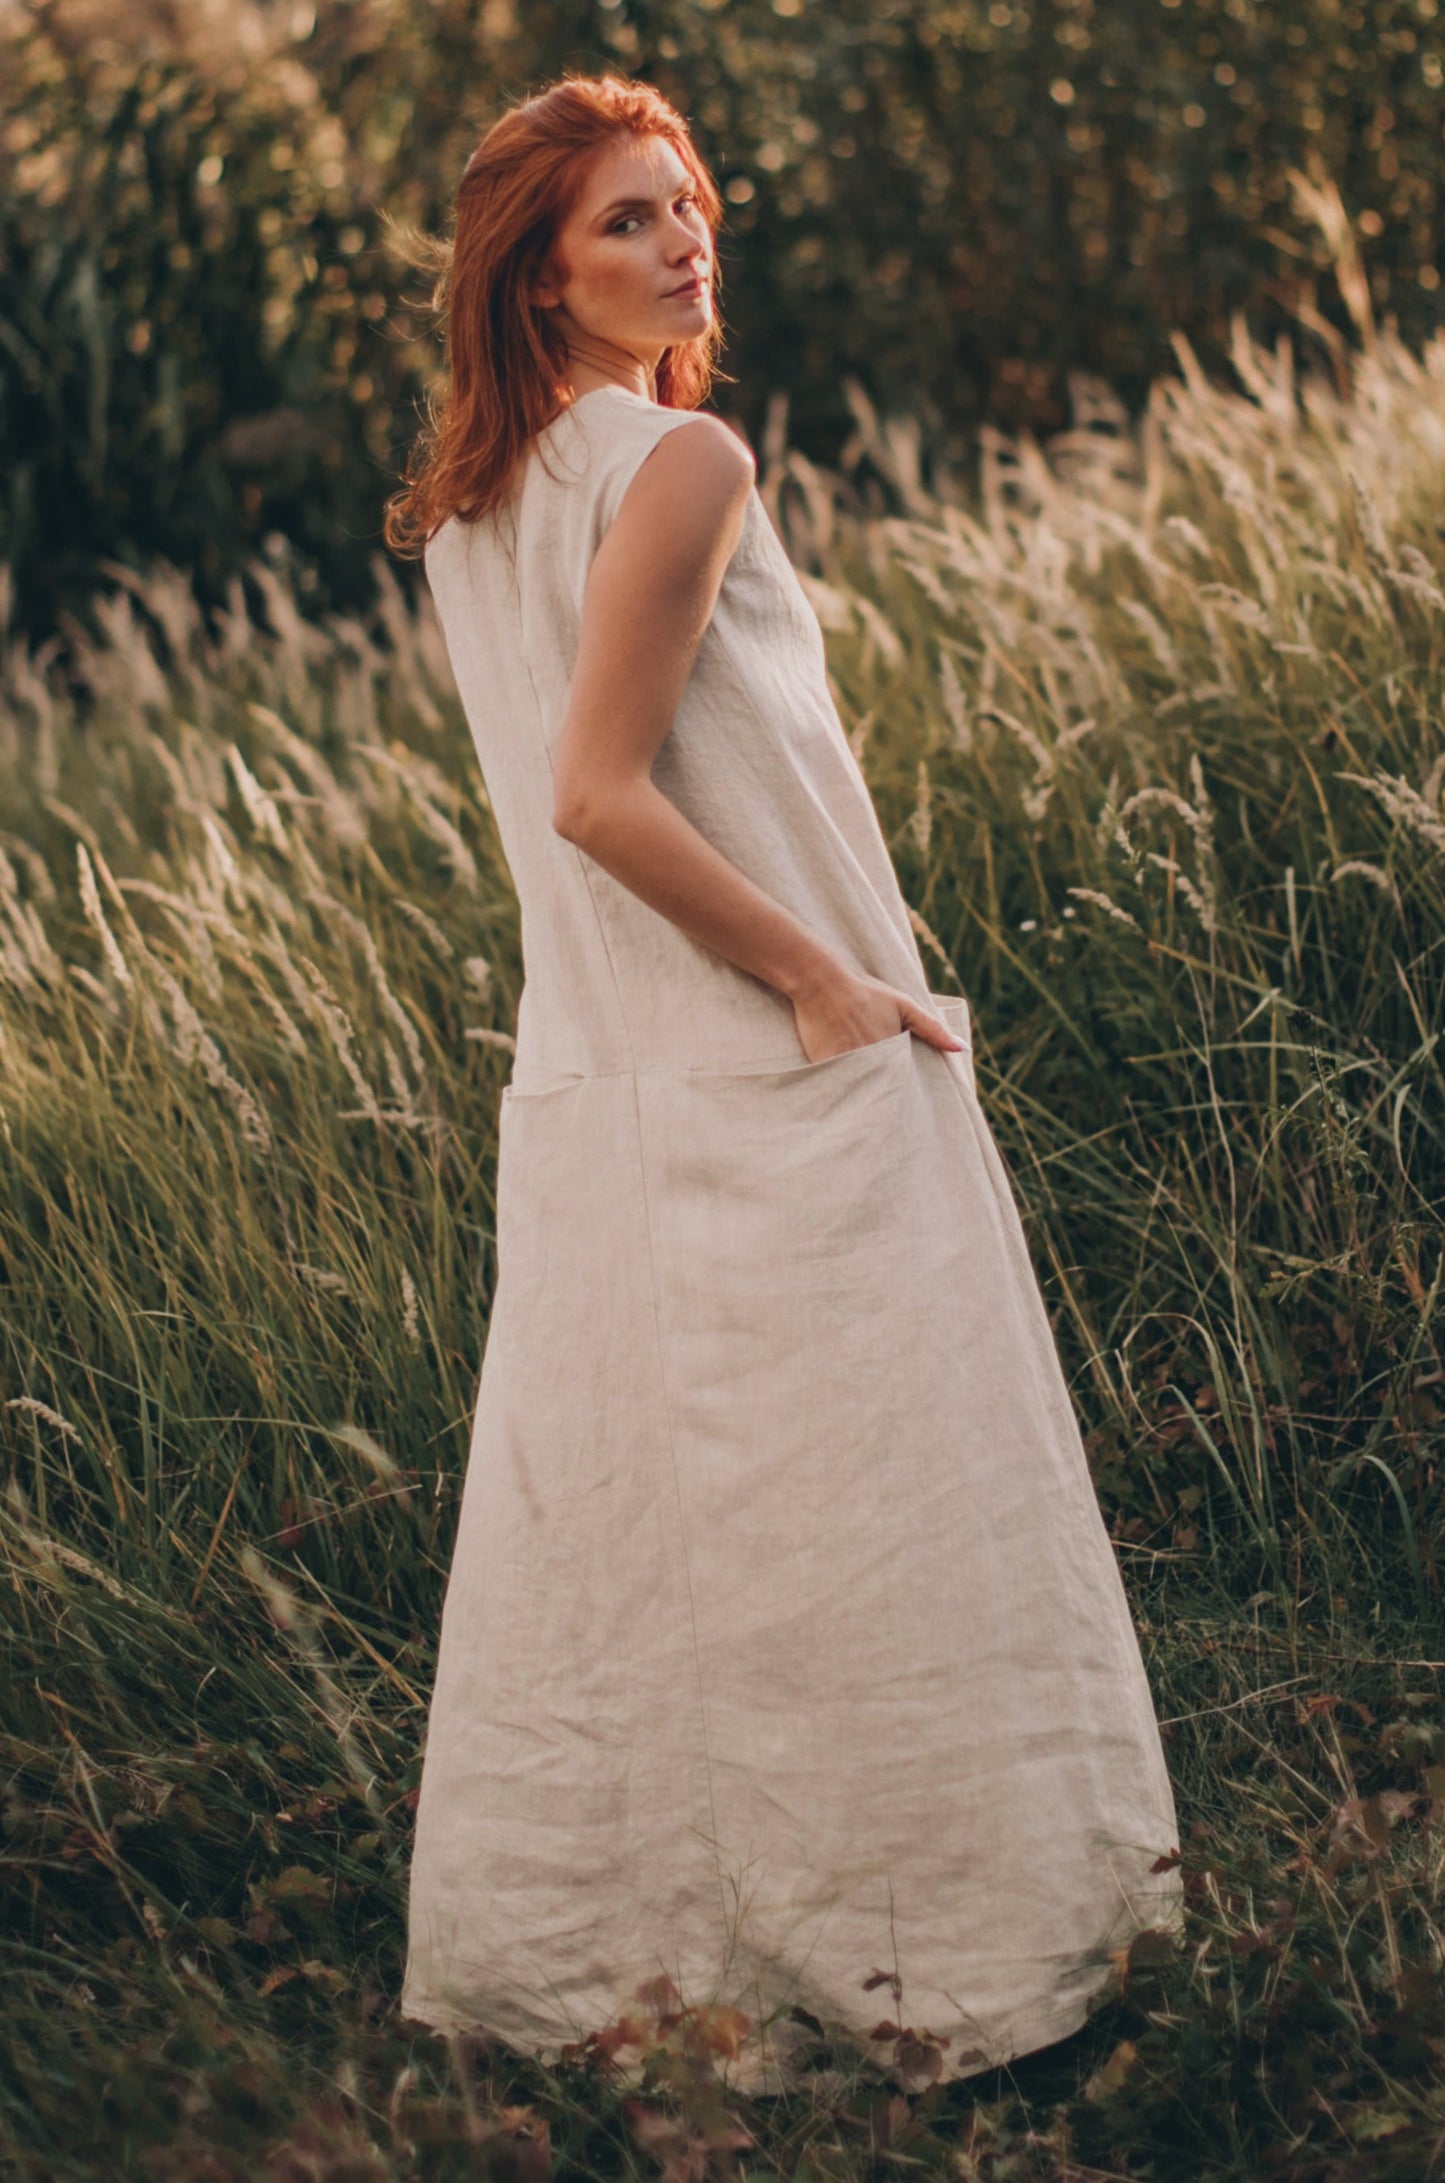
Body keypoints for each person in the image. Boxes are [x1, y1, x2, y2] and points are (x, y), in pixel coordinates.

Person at [384, 70, 1185, 2095]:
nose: (682, 244)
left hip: (602, 1088)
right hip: (764, 1055)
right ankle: (965, 1984)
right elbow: (595, 796)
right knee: (883, 1529)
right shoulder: (682, 458)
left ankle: (636, 1987)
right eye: (627, 224)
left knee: (646, 1566)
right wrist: (837, 984)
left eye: (687, 205)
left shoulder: (473, 519)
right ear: (537, 284)